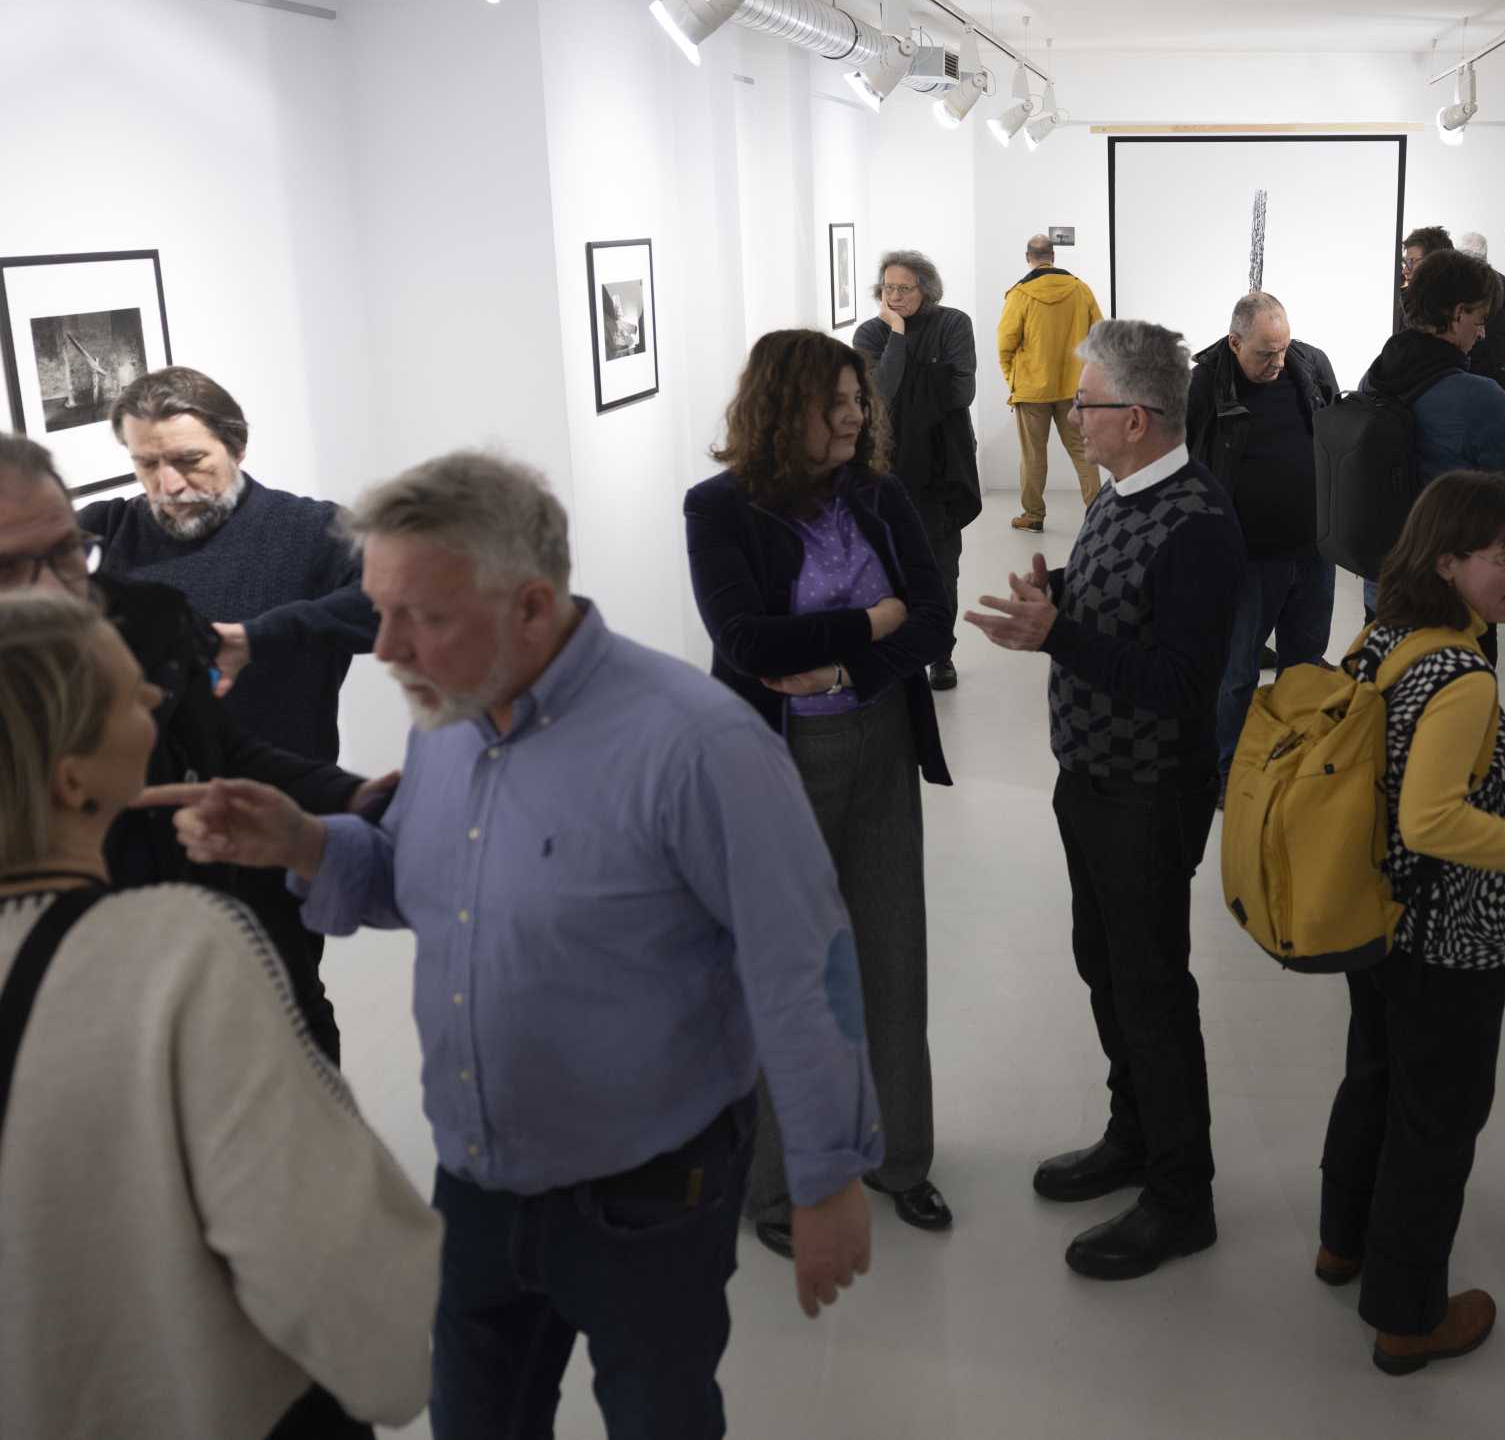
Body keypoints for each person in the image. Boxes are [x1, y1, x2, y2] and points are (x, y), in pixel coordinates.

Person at [154, 451, 880, 1438]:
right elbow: (427, 885)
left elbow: (802, 965)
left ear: (532, 606)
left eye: (421, 617)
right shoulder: (447, 718)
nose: (387, 648)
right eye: (380, 611)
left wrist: (828, 1179)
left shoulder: (699, 746)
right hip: (477, 1178)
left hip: (647, 1198)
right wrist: (306, 842)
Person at [0, 591, 440, 1440]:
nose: (156, 694)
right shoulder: (183, 952)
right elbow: (371, 1329)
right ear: (71, 777)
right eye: (125, 693)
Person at [1318, 471, 1505, 1377]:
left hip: (1378, 915)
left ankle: (1343, 1241)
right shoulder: (1460, 677)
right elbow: (1434, 821)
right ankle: (1407, 1315)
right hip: (1448, 938)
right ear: (1447, 561)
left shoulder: (1383, 634)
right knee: (1438, 1118)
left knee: (1374, 1076)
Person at [965, 319, 1244, 1281]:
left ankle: (1182, 1195)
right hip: (1088, 778)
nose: (1072, 415)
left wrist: (1058, 635)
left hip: (1149, 793)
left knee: (1153, 988)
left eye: (1086, 403)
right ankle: (1135, 1133)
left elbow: (1179, 682)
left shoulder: (1198, 524)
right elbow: (1121, 615)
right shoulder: (1120, 492)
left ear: (1136, 416)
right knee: (1106, 967)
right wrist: (1061, 598)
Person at [684, 328, 957, 1253]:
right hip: (776, 759)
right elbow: (746, 642)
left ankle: (902, 1158)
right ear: (780, 408)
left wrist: (846, 664)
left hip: (879, 739)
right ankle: (775, 1186)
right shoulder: (718, 508)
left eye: (857, 400)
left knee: (893, 952)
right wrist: (870, 621)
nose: (853, 416)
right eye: (833, 403)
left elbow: (932, 617)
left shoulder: (879, 493)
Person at [0, 435, 387, 1065]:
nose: (56, 590)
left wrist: (352, 796)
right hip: (66, 1013)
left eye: (67, 552)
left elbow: (222, 750)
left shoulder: (146, 618)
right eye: (9, 569)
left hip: (235, 941)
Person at [79, 366, 376, 762]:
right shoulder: (102, 529)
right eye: (147, 464)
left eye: (189, 460)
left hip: (281, 790)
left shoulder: (317, 530)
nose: (169, 486)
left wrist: (256, 638)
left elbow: (402, 607)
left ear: (236, 448)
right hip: (135, 792)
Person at [1359, 248, 1505, 661]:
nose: (1482, 334)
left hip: (1384, 586)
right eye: (1480, 320)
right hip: (1453, 599)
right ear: (1458, 314)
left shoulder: (1374, 377)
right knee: (1459, 697)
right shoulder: (1476, 395)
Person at [1184, 292, 1342, 784]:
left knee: (1304, 669)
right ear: (1235, 342)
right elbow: (1180, 463)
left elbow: (1334, 435)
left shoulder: (1309, 365)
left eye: (1283, 348)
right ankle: (1227, 771)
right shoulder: (1204, 383)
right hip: (1247, 558)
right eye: (1265, 353)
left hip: (1313, 551)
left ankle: (1291, 763)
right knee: (1236, 673)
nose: (1277, 361)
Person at [854, 248, 978, 691]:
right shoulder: (871, 333)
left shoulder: (954, 324)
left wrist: (915, 390)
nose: (895, 296)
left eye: (904, 288)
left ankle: (941, 654)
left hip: (943, 466)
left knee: (942, 567)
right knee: (888, 564)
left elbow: (961, 393)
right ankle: (900, 650)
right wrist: (898, 335)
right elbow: (881, 394)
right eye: (889, 287)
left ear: (925, 289)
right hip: (887, 466)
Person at [998, 233, 1104, 532]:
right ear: (1053, 256)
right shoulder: (1080, 289)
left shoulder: (1019, 294)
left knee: (1033, 455)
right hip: (1073, 386)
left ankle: (1033, 516)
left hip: (1032, 389)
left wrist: (1014, 379)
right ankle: (1098, 514)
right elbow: (1099, 337)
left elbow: (1005, 344)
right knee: (1084, 452)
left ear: (1028, 258)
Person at [1402, 226, 1505, 386]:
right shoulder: (1409, 303)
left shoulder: (1479, 299)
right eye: (1405, 262)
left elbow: (1497, 363)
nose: (1406, 270)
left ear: (1434, 262)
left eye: (1412, 262)